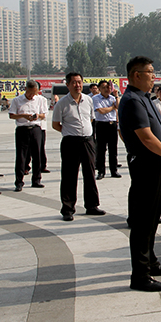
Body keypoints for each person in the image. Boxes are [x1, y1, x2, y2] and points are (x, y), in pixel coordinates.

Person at [119, 56, 161, 292]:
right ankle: (140, 275)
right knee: (143, 221)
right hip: (146, 165)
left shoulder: (145, 98)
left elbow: (159, 129)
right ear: (136, 75)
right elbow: (145, 137)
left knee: (152, 218)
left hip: (157, 163)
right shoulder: (132, 101)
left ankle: (151, 262)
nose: (154, 76)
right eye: (150, 72)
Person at [52, 72, 105, 221]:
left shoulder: (88, 100)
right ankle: (68, 209)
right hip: (70, 143)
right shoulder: (62, 103)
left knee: (90, 174)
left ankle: (92, 206)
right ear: (68, 85)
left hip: (87, 141)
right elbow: (55, 124)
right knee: (69, 176)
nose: (77, 85)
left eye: (79, 82)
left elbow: (91, 119)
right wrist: (69, 132)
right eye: (74, 82)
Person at [9, 80, 47, 192]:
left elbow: (44, 115)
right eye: (30, 93)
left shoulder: (40, 100)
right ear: (25, 89)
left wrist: (38, 116)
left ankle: (36, 179)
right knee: (21, 156)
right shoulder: (17, 100)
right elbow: (11, 115)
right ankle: (19, 182)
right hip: (22, 129)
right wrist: (23, 116)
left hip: (36, 128)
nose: (32, 95)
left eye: (34, 93)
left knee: (37, 155)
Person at [93, 80, 121, 179]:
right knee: (101, 149)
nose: (106, 89)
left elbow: (118, 107)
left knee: (113, 149)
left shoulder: (113, 98)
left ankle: (114, 170)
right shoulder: (96, 98)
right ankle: (101, 171)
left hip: (112, 125)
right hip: (101, 125)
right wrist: (112, 107)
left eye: (108, 87)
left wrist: (116, 96)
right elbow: (101, 110)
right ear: (99, 89)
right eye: (104, 87)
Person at [25, 81, 50, 175]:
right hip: (28, 126)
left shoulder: (42, 99)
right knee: (27, 149)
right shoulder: (25, 99)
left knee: (40, 148)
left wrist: (38, 116)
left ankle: (42, 166)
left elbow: (45, 113)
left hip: (40, 127)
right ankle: (26, 166)